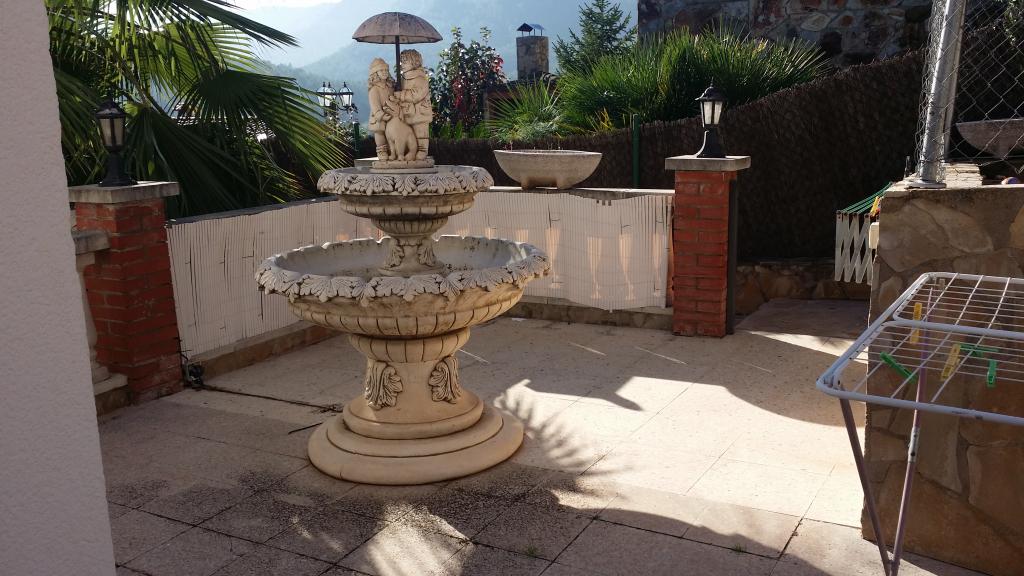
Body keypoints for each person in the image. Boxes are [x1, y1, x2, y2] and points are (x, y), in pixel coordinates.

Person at [390, 49, 432, 161]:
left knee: (420, 132)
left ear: (414, 62)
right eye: (401, 61)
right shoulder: (403, 78)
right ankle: (411, 150)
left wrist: (401, 95)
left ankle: (422, 150)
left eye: (405, 61)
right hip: (407, 112)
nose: (401, 64)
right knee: (409, 133)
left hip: (420, 113)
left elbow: (416, 94)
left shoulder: (420, 78)